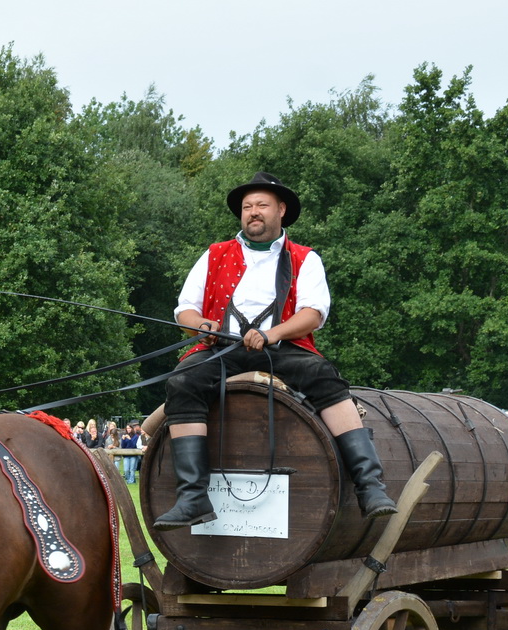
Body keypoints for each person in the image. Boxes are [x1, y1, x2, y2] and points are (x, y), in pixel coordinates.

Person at [154, 172, 397, 530]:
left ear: (281, 210)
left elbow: (313, 314)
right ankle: (192, 497)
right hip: (222, 348)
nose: (253, 212)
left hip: (281, 348)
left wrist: (270, 335)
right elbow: (184, 309)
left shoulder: (304, 258)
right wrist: (202, 325)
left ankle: (370, 486)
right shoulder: (215, 254)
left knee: (322, 376)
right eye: (247, 206)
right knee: (182, 380)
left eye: (262, 205)